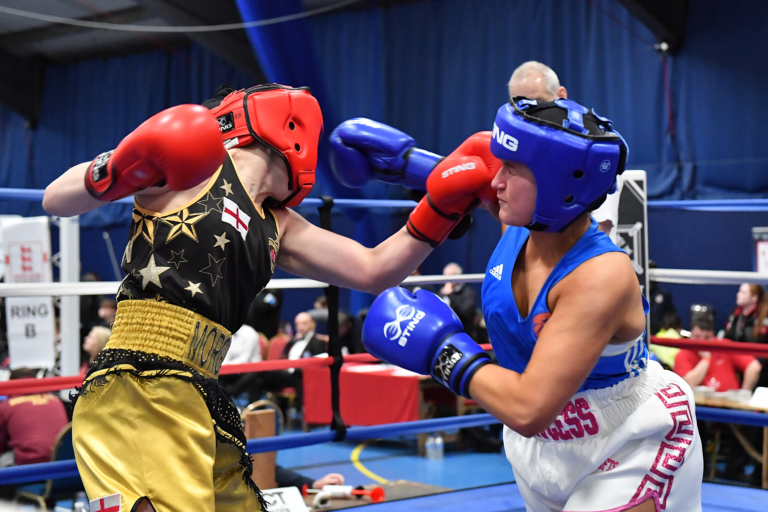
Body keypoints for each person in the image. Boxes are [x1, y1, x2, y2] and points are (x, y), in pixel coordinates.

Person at [42, 83, 494, 512]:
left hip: (197, 390)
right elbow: (54, 199)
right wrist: (118, 167)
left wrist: (441, 207)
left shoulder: (278, 223)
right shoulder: (191, 165)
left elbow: (374, 270)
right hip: (136, 384)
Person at [357, 97, 704, 511]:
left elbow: (528, 407)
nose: (496, 181)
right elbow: (472, 176)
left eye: (512, 169)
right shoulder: (522, 221)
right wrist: (407, 164)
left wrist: (440, 352)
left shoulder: (599, 276)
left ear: (558, 186)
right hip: (540, 446)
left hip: (628, 439)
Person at [0, 369, 69, 493]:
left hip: (31, 467)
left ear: (11, 384)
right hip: (64, 470)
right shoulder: (55, 400)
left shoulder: (6, 406)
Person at [674, 317, 762, 392]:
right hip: (699, 406)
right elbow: (688, 384)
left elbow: (754, 367)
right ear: (690, 335)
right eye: (697, 337)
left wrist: (743, 394)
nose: (702, 342)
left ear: (713, 336)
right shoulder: (683, 354)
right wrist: (706, 360)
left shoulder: (722, 345)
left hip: (729, 406)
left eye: (707, 337)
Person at [439, 263, 477, 338]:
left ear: (457, 276)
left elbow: (465, 314)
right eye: (445, 276)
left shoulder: (468, 293)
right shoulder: (442, 292)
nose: (447, 279)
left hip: (463, 334)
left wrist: (451, 295)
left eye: (450, 275)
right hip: (444, 334)